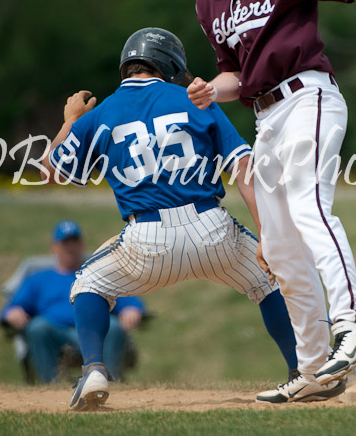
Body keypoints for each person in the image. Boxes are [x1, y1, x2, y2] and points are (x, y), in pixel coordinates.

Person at [179, 0, 356, 403]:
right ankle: (317, 368)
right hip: (266, 117)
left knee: (308, 207)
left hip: (308, 96)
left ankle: (354, 323)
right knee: (277, 245)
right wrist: (213, 89)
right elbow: (237, 74)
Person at [40, 27, 299, 411]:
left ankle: (94, 368)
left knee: (88, 285)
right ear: (170, 65)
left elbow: (51, 170)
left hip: (146, 239)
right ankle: (304, 371)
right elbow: (243, 168)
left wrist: (72, 120)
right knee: (269, 281)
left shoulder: (104, 112)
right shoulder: (193, 99)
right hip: (212, 229)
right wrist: (267, 233)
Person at [1, 220, 145, 383]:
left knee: (114, 326)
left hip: (95, 331)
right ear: (54, 247)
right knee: (37, 328)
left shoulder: (98, 274)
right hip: (55, 332)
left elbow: (128, 300)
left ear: (82, 245)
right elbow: (14, 307)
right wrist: (13, 312)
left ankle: (111, 383)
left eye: (74, 242)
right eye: (65, 243)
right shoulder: (39, 279)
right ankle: (49, 386)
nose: (70, 248)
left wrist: (132, 309)